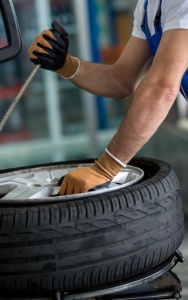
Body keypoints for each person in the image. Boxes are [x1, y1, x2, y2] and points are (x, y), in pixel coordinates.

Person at [28, 0, 188, 195]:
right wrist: (63, 63)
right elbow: (121, 80)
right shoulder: (149, 6)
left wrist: (105, 169)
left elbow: (162, 87)